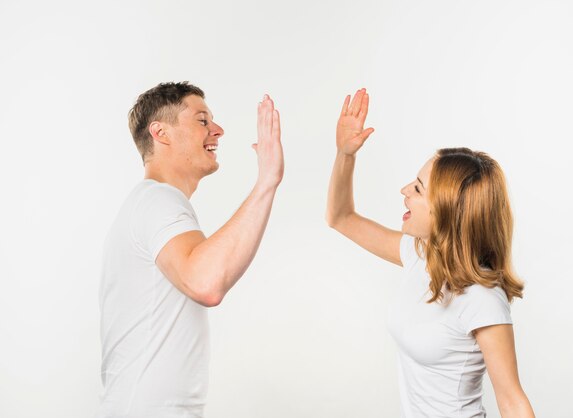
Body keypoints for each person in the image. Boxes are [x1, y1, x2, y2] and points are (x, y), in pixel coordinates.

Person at [326, 88, 535, 418]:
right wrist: (345, 154)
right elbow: (340, 217)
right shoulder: (419, 256)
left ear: (447, 211)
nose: (404, 191)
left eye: (418, 189)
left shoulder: (482, 299)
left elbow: (512, 401)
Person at [98, 82, 283, 418]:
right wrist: (267, 179)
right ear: (161, 133)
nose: (218, 130)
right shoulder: (157, 200)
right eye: (202, 121)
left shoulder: (150, 202)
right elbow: (207, 282)